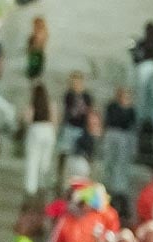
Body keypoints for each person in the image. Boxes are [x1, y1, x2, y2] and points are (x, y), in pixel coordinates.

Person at [102, 87, 140, 217]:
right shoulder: (112, 107)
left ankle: (120, 193)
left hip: (125, 138)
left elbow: (131, 126)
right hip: (113, 135)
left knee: (121, 167)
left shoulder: (131, 110)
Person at [23, 84, 57, 197]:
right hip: (49, 130)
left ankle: (31, 187)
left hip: (36, 129)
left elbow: (27, 119)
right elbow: (54, 120)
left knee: (32, 160)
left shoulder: (33, 104)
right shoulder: (50, 104)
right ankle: (42, 184)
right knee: (45, 161)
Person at [59, 72, 93, 172]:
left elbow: (89, 111)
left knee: (82, 153)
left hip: (82, 128)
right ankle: (61, 175)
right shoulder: (69, 95)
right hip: (69, 126)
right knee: (64, 152)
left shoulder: (86, 96)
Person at [24, 17, 48, 84]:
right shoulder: (40, 33)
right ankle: (35, 80)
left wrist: (32, 47)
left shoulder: (40, 33)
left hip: (36, 54)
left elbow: (37, 45)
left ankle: (34, 80)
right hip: (36, 53)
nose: (33, 26)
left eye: (35, 24)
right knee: (35, 70)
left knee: (34, 70)